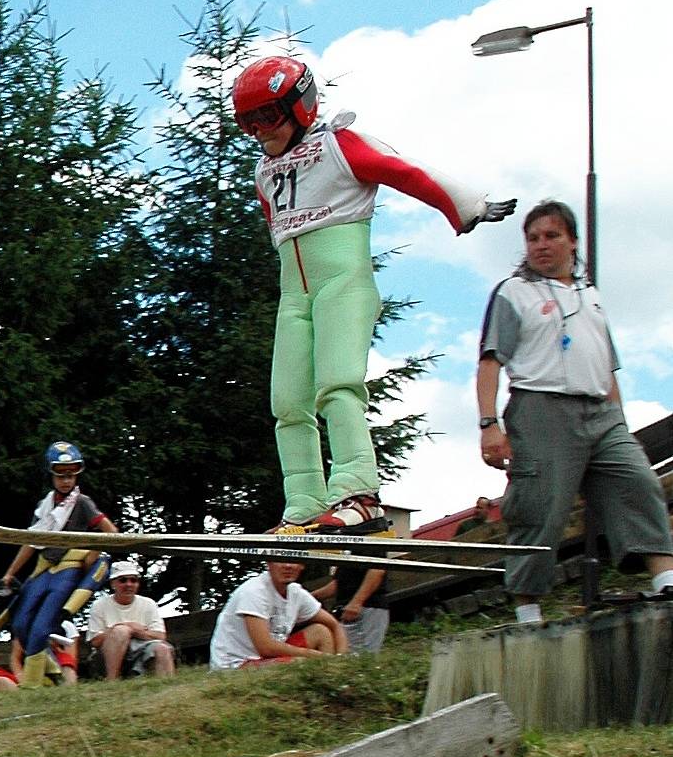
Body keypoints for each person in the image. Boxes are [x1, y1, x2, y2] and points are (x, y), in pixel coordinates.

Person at [231, 56, 516, 534]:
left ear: (300, 107)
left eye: (268, 117)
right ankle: (303, 501)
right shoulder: (265, 171)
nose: (260, 132)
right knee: (287, 400)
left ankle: (359, 492)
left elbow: (405, 170)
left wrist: (468, 206)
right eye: (249, 122)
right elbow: (276, 225)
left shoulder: (337, 145)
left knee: (338, 384)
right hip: (294, 294)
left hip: (343, 283)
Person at [477, 199, 673, 623]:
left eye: (552, 236)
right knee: (539, 507)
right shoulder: (514, 292)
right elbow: (490, 360)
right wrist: (489, 424)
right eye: (533, 238)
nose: (541, 245)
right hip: (541, 408)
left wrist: (618, 418)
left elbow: (608, 364)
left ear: (573, 242)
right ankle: (527, 607)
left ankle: (664, 580)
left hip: (600, 411)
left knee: (638, 481)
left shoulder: (591, 296)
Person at [0, 441, 117, 687]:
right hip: (44, 568)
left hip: (67, 569)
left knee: (41, 628)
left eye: (71, 474)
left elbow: (111, 532)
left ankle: (31, 686)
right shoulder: (45, 506)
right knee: (20, 624)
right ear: (51, 474)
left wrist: (91, 554)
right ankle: (54, 672)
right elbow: (31, 541)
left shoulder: (82, 502)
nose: (66, 480)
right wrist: (9, 574)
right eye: (61, 474)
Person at [209, 560, 348, 669]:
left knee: (321, 631)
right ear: (269, 563)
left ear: (301, 565)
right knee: (301, 663)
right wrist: (314, 655)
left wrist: (341, 659)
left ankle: (332, 678)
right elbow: (266, 647)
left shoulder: (296, 593)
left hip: (269, 659)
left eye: (293, 560)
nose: (287, 566)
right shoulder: (253, 591)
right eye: (280, 560)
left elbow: (334, 625)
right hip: (237, 665)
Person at [86, 560, 175, 680]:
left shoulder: (148, 604)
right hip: (105, 658)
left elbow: (160, 636)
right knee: (121, 631)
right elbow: (95, 641)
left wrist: (137, 632)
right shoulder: (99, 605)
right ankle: (112, 681)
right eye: (123, 580)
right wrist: (125, 628)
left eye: (133, 580)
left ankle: (166, 687)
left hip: (141, 652)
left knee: (162, 648)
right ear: (113, 584)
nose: (129, 584)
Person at [311, 565, 388, 653]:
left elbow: (377, 570)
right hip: (345, 611)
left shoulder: (370, 551)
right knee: (345, 652)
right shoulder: (347, 558)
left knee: (363, 654)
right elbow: (338, 584)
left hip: (366, 608)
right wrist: (307, 597)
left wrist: (357, 602)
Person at [0, 627, 79, 692]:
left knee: (66, 663)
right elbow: (15, 659)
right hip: (25, 676)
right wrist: (22, 679)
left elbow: (67, 663)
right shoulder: (22, 628)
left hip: (50, 676)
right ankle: (19, 692)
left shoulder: (56, 624)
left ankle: (66, 688)